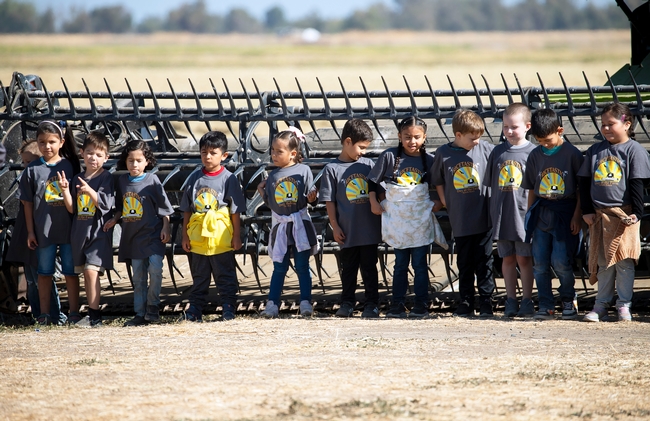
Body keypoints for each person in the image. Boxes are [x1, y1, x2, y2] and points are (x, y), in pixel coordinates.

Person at [579, 103, 650, 322]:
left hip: (624, 215)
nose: (606, 129)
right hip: (600, 216)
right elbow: (583, 181)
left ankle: (624, 306)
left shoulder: (633, 150)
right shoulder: (595, 151)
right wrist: (587, 211)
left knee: (624, 261)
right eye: (603, 125)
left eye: (611, 124)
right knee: (603, 261)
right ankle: (601, 305)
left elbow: (637, 183)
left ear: (627, 124)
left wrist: (637, 213)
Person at [368, 116, 436, 319]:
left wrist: (438, 203)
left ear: (424, 137)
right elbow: (372, 182)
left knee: (420, 264)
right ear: (399, 136)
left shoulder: (430, 160)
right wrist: (374, 201)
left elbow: (439, 185)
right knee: (399, 264)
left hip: (419, 221)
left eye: (417, 137)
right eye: (407, 137)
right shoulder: (389, 157)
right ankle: (397, 305)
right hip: (397, 221)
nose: (412, 141)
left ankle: (421, 305)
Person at [430, 110, 495, 318]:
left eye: (478, 137)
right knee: (464, 262)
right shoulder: (443, 153)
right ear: (458, 135)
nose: (476, 142)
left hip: (484, 217)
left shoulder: (486, 149)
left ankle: (486, 302)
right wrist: (444, 199)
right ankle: (466, 301)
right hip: (460, 219)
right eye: (472, 138)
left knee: (485, 261)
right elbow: (438, 179)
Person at [104, 140, 174, 327]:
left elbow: (165, 208)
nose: (134, 164)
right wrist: (115, 218)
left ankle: (153, 307)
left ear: (147, 162)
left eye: (139, 160)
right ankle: (140, 313)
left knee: (156, 269)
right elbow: (121, 206)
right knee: (138, 276)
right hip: (133, 238)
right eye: (130, 160)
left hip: (152, 235)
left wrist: (166, 227)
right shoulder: (122, 181)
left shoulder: (152, 180)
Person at [522, 108, 583, 321]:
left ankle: (568, 299)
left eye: (548, 140)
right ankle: (546, 304)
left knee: (561, 262)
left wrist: (577, 217)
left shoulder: (573, 154)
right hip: (541, 214)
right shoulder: (534, 155)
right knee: (539, 262)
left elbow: (580, 190)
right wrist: (529, 216)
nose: (544, 144)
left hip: (564, 214)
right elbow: (531, 188)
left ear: (560, 130)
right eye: (540, 141)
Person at [19, 120, 81, 326]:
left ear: (61, 142)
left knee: (70, 272)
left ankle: (73, 313)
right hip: (43, 231)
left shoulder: (69, 166)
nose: (47, 146)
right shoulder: (32, 170)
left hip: (68, 229)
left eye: (52, 142)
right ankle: (44, 315)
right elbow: (27, 203)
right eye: (42, 142)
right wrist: (30, 231)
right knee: (44, 273)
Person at [180, 131, 245, 322]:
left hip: (220, 238)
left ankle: (228, 307)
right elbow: (187, 210)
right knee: (199, 276)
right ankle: (195, 309)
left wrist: (236, 236)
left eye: (213, 152)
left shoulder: (229, 179)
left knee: (225, 274)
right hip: (199, 238)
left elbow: (235, 211)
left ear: (224, 155)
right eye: (203, 152)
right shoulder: (194, 179)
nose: (207, 157)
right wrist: (185, 236)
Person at [320, 119, 382, 318]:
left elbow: (379, 193)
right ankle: (347, 303)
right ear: (347, 142)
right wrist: (335, 226)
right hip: (347, 231)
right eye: (361, 147)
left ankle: (372, 304)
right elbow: (330, 201)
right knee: (348, 270)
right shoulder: (332, 169)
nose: (363, 152)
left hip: (370, 230)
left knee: (369, 269)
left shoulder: (369, 165)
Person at [259, 127, 318, 318]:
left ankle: (306, 302)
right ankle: (272, 304)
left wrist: (311, 197)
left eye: (279, 151)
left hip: (299, 224)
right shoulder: (272, 176)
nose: (274, 155)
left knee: (302, 266)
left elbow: (311, 198)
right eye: (272, 150)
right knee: (279, 267)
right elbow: (272, 203)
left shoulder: (304, 170)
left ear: (293, 154)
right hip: (281, 227)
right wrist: (263, 193)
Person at [483, 103, 536, 317]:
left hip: (524, 215)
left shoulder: (533, 152)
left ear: (527, 126)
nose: (509, 131)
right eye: (505, 127)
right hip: (503, 216)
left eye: (514, 127)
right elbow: (491, 185)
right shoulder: (497, 152)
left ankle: (527, 299)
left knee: (524, 258)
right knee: (507, 258)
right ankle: (511, 299)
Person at [6, 139, 67, 325]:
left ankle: (55, 315)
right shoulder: (28, 176)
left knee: (44, 275)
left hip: (41, 231)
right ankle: (39, 314)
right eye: (23, 162)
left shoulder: (42, 176)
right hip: (28, 230)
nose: (25, 166)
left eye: (29, 162)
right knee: (32, 278)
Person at [59, 132, 114, 327]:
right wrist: (66, 191)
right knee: (85, 273)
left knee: (91, 272)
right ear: (82, 153)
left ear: (106, 157)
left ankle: (95, 315)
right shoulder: (76, 179)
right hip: (79, 233)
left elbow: (104, 204)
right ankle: (90, 314)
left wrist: (90, 191)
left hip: (98, 233)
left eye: (99, 155)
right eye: (90, 153)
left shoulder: (106, 177)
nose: (93, 158)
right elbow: (73, 208)